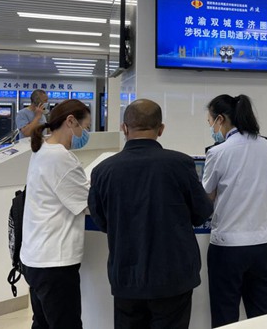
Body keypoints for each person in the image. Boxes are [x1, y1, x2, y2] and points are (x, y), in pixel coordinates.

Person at [89, 99, 213, 329]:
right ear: (161, 129)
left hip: (126, 276)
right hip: (173, 276)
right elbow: (202, 212)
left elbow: (101, 220)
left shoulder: (103, 171)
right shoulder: (180, 164)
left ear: (124, 128)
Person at [202, 94, 267, 328]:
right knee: (265, 315)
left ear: (221, 119)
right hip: (264, 245)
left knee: (225, 316)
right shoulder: (266, 146)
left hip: (228, 247)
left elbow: (207, 195)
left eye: (210, 121)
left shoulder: (218, 152)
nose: (211, 128)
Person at [20, 99, 91, 329]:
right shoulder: (60, 157)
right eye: (85, 127)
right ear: (71, 121)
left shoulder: (42, 149)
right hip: (54, 263)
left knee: (42, 323)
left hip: (35, 257)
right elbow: (88, 203)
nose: (85, 134)